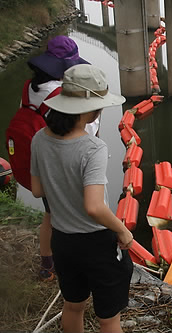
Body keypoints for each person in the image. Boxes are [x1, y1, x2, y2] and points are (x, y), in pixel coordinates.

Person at [30, 64, 133, 333]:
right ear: (89, 110)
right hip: (97, 243)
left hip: (63, 240)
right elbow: (94, 206)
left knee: (73, 304)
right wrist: (122, 230)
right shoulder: (93, 147)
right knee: (109, 318)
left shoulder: (39, 138)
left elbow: (38, 191)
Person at [25, 35, 95, 280]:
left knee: (49, 214)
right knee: (77, 216)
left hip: (38, 160)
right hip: (64, 163)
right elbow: (84, 131)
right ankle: (79, 266)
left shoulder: (29, 87)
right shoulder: (58, 93)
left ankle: (47, 265)